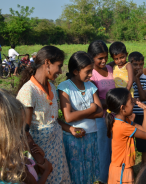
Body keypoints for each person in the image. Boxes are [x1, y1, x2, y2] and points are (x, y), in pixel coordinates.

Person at [16, 46, 74, 184]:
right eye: (59, 66)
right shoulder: (28, 91)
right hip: (42, 155)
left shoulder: (51, 87)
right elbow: (24, 132)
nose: (60, 71)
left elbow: (52, 119)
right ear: (47, 63)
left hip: (57, 150)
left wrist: (69, 129)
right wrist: (42, 162)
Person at [58, 51, 104, 184]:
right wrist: (91, 109)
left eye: (92, 71)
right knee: (76, 171)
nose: (91, 75)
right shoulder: (65, 87)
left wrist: (77, 113)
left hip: (92, 135)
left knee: (90, 169)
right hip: (74, 137)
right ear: (76, 71)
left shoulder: (91, 86)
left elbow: (100, 112)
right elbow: (68, 117)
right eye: (88, 72)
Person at [0, 89, 53, 184]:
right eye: (19, 130)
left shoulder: (16, 162)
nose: (24, 136)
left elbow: (33, 173)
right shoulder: (16, 169)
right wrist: (47, 171)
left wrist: (39, 164)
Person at [106, 88, 146, 184]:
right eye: (131, 102)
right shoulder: (123, 126)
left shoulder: (122, 121)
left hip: (122, 168)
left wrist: (145, 110)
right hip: (121, 171)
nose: (133, 104)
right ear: (123, 108)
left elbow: (144, 130)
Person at [88, 40, 114, 184]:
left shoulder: (110, 69)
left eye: (106, 57)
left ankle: (116, 176)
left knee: (115, 148)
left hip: (115, 116)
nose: (104, 61)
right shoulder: (90, 74)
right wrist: (117, 102)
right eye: (100, 58)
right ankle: (104, 179)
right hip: (102, 118)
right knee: (103, 151)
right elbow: (95, 101)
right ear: (92, 58)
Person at [129, 52, 146, 167]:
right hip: (130, 115)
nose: (138, 67)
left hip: (142, 115)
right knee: (130, 143)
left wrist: (137, 79)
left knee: (143, 143)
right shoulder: (126, 78)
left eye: (141, 64)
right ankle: (130, 167)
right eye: (135, 64)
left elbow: (143, 97)